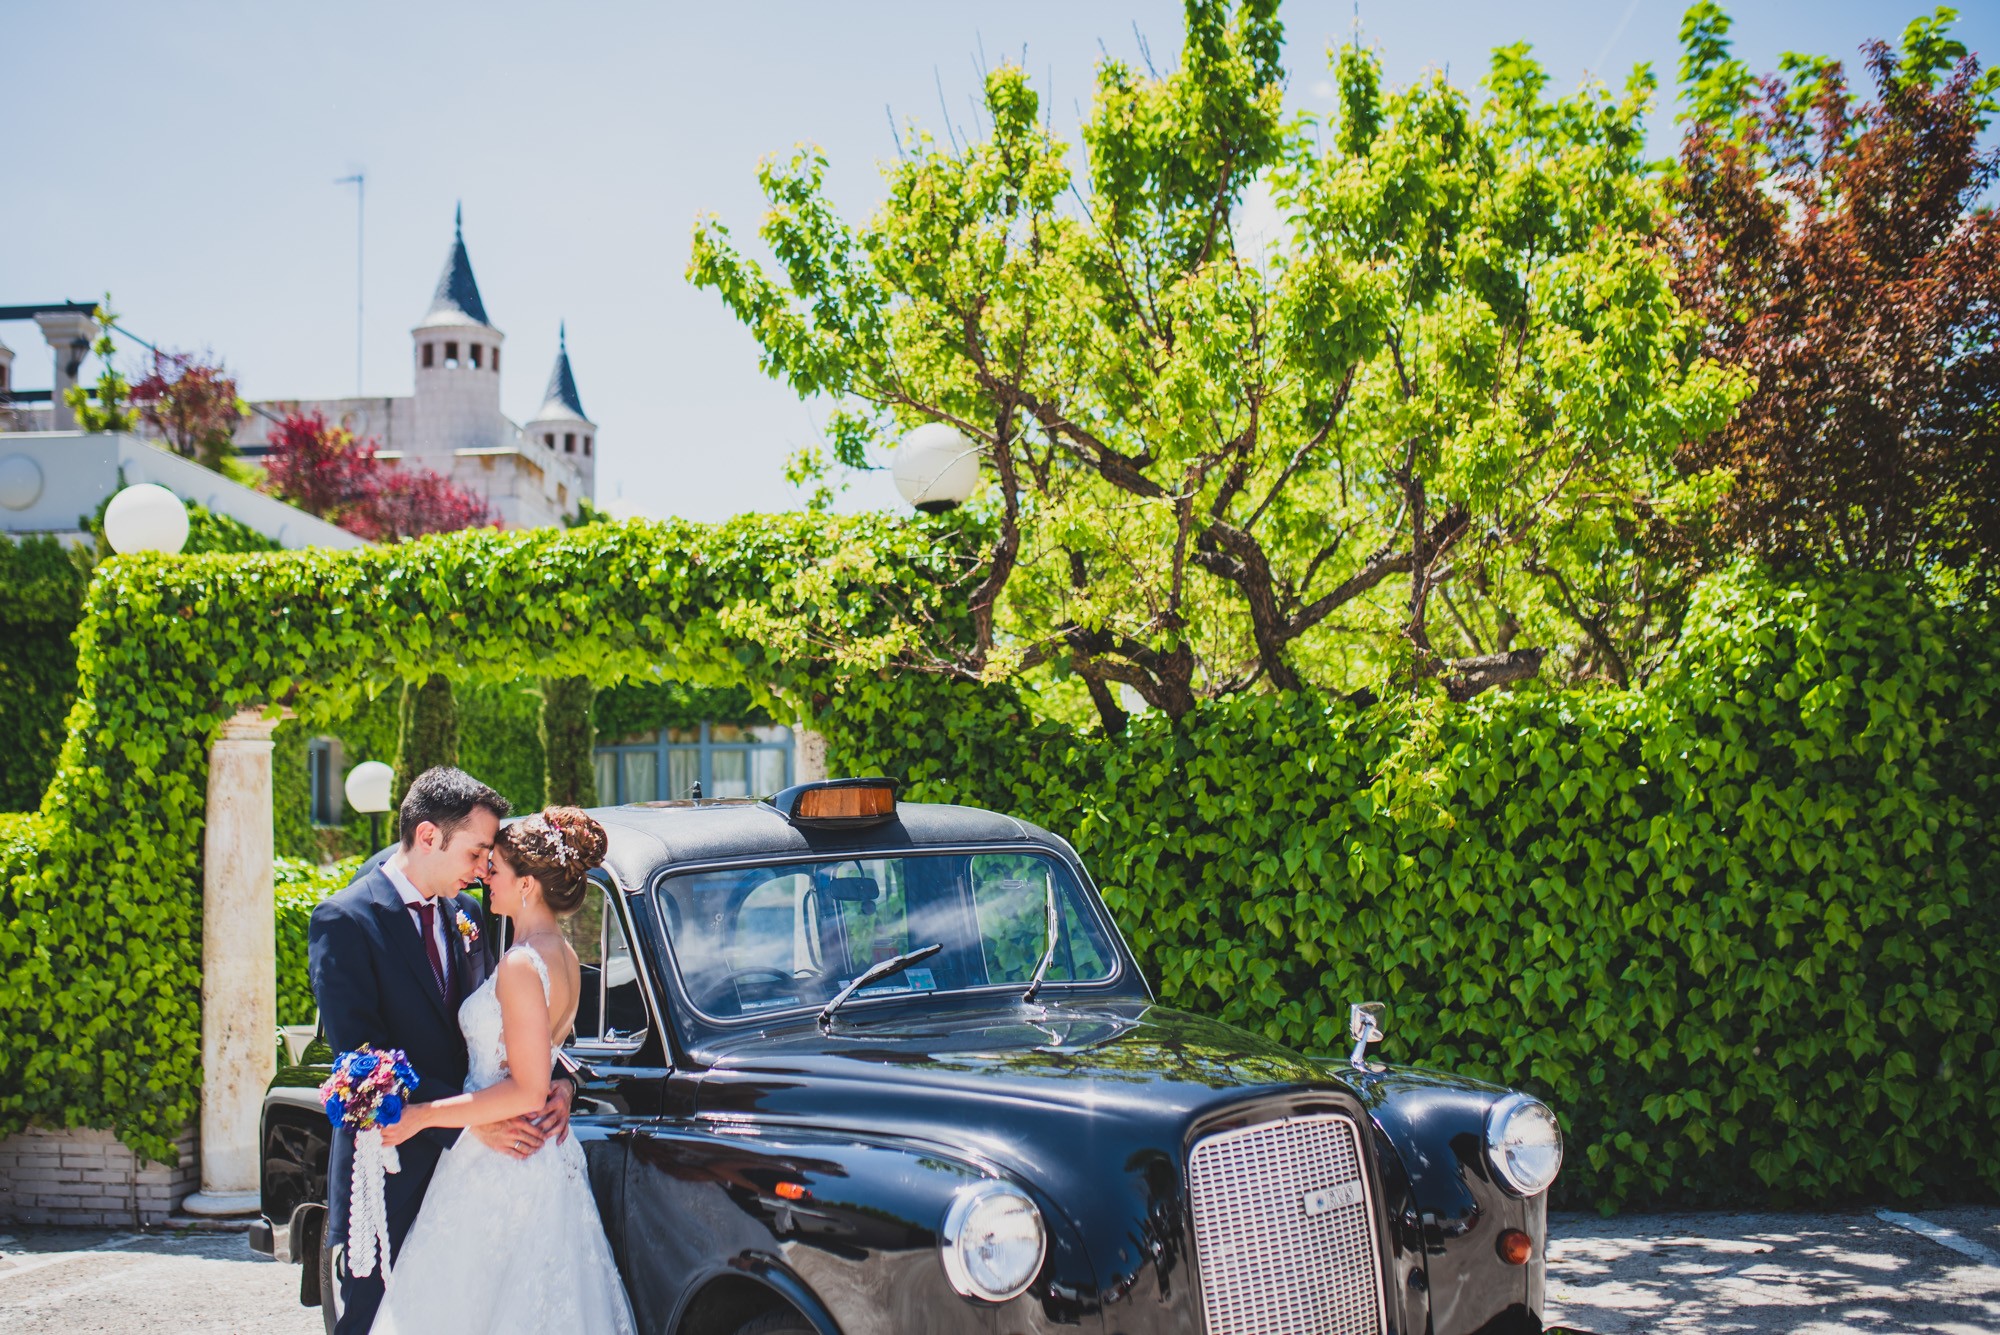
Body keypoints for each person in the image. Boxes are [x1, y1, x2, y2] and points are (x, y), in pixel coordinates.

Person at [309, 767, 576, 1335]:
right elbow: (361, 1063)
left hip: (477, 1182)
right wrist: (470, 1122)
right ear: (429, 836)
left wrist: (564, 1081)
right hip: (394, 1170)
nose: (485, 869)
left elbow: (517, 1025)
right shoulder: (344, 921)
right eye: (478, 851)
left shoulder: (470, 916)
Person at [369, 805, 637, 1335]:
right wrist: (564, 1084)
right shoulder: (561, 953)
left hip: (502, 1162)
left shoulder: (519, 964)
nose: (486, 875)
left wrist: (422, 1115)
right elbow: (544, 1064)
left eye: (497, 868)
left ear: (529, 885)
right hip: (544, 1159)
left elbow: (526, 1086)